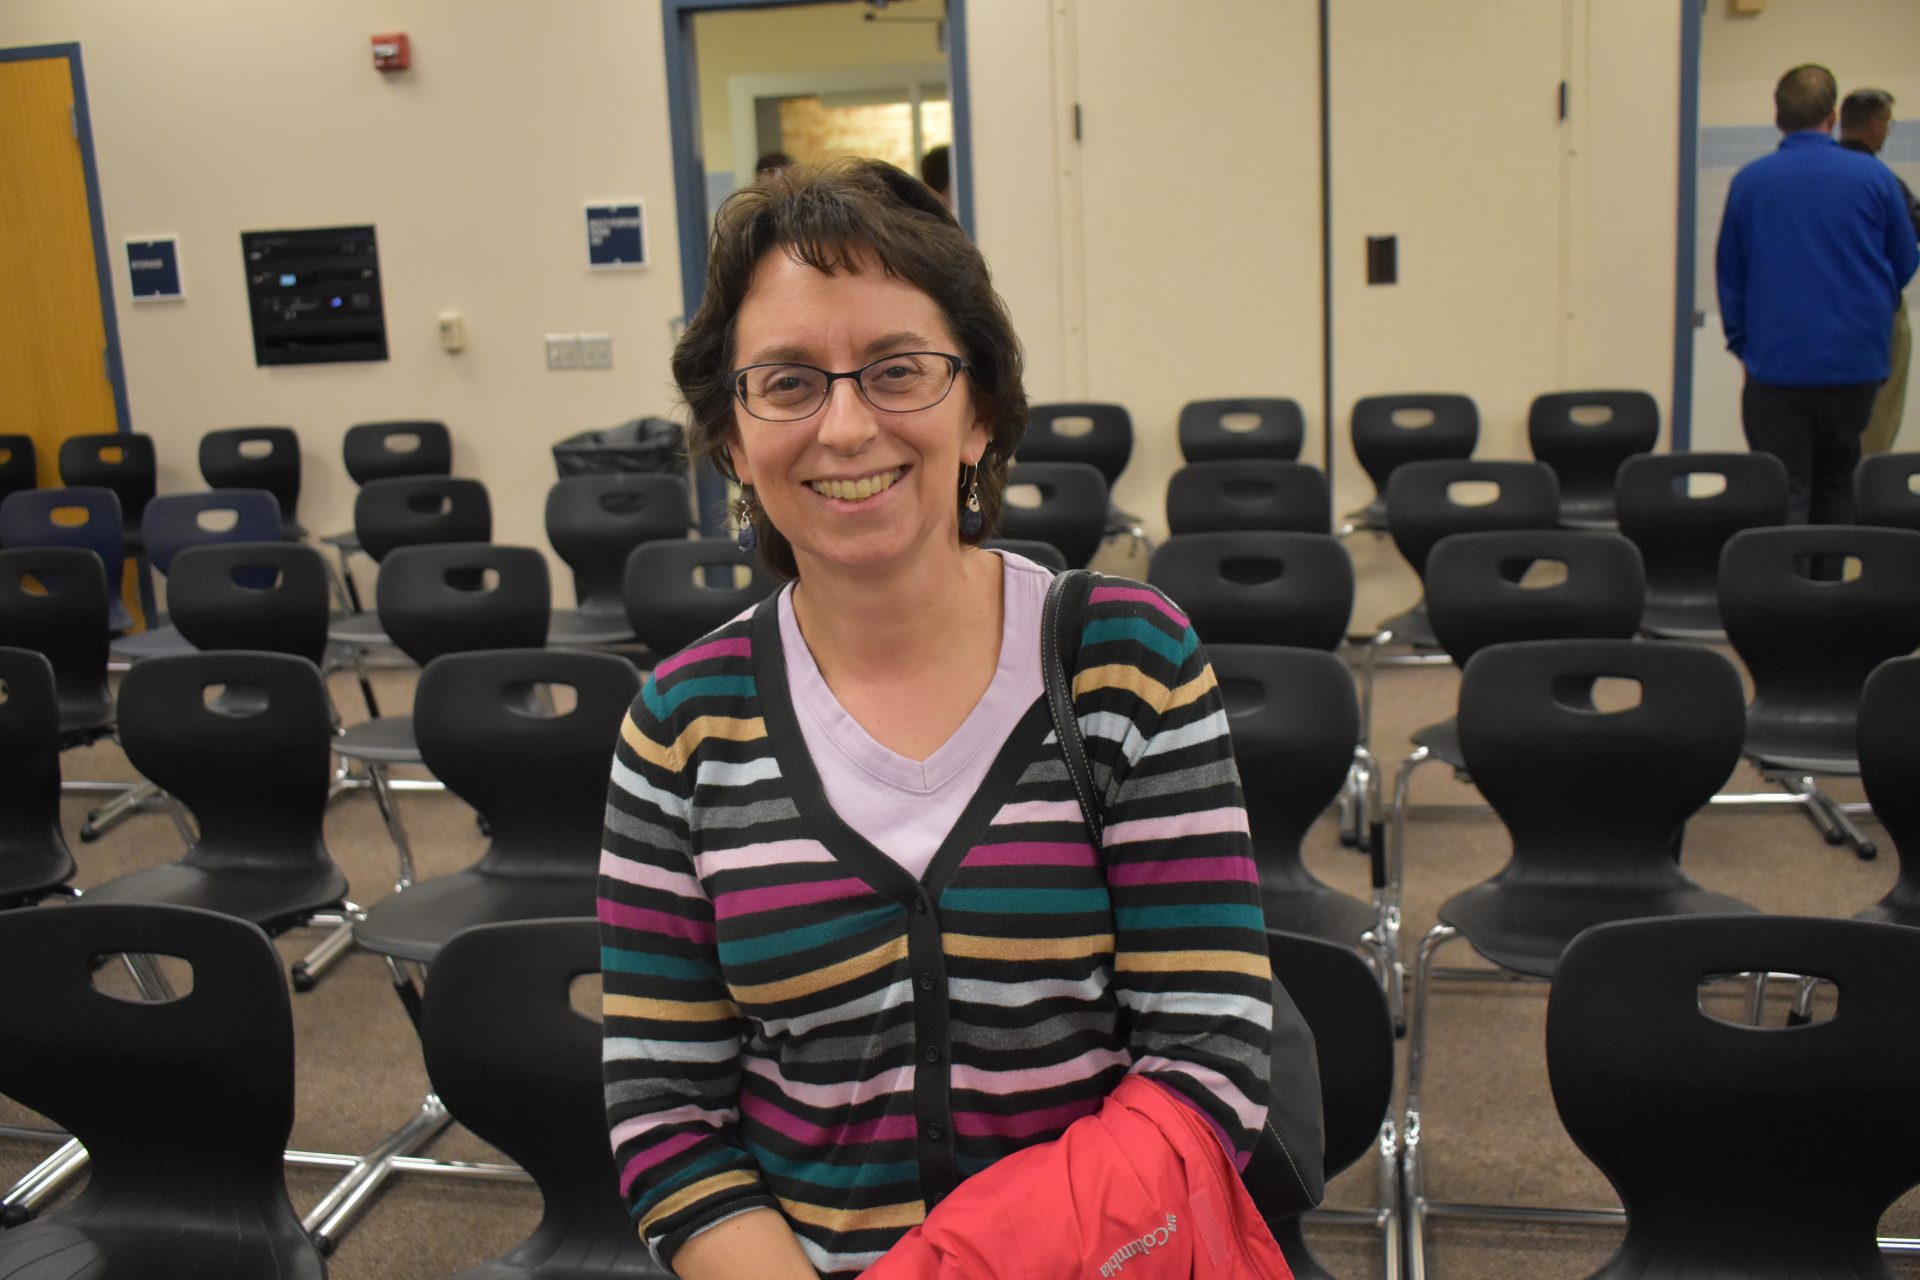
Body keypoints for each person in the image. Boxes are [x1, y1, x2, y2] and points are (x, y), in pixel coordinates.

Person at [598, 158, 1276, 1280]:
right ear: (732, 436)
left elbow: (1208, 1062)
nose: (847, 425)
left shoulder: (1123, 662)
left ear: (981, 416)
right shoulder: (679, 727)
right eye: (788, 382)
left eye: (897, 371)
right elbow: (666, 1115)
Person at [1715, 64, 1917, 529]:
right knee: (1838, 484)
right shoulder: (1875, 179)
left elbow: (1731, 272)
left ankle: (1787, 597)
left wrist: (1744, 343)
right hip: (1854, 368)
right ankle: (1829, 594)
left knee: (1785, 491)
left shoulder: (1751, 182)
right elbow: (1904, 263)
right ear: (1830, 116)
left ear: (1778, 117)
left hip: (1776, 369)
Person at [1839, 88, 1920, 456]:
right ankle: (1862, 499)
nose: (1888, 131)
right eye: (1888, 123)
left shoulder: (1816, 177)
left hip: (1823, 316)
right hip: (1876, 315)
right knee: (1877, 418)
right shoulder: (1883, 182)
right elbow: (1905, 258)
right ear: (1874, 125)